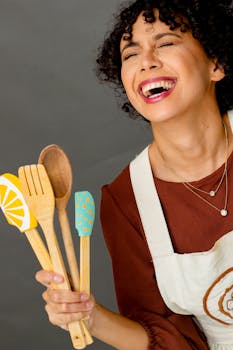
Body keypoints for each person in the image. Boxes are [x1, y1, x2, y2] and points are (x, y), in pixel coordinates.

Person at [35, 0, 233, 349]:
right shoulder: (126, 202)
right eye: (130, 54)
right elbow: (174, 342)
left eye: (166, 42)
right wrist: (90, 315)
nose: (146, 61)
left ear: (216, 63)